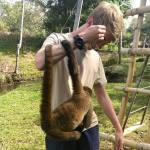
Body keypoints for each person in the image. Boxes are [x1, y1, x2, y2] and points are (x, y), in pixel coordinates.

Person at [35, 1, 124, 150]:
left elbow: (101, 94)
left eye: (104, 44)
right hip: (59, 129)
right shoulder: (57, 39)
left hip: (89, 128)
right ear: (91, 24)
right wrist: (79, 40)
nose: (99, 46)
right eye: (100, 40)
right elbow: (40, 62)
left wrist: (118, 129)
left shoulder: (95, 57)